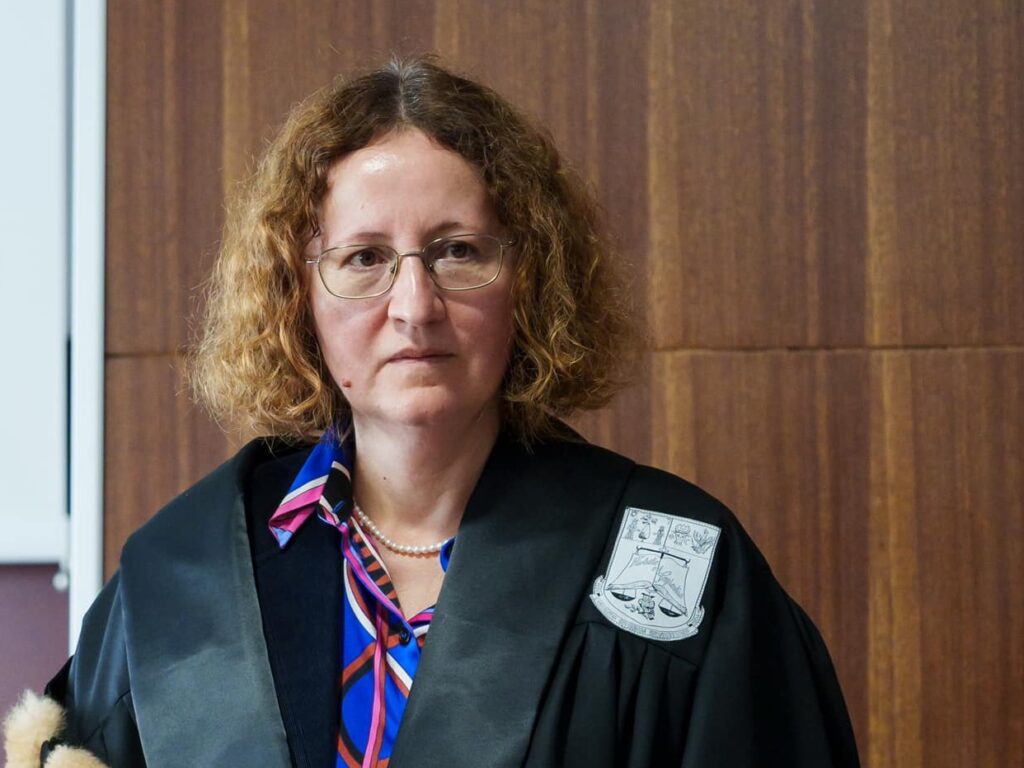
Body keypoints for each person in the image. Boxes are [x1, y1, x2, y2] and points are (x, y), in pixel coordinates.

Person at [4, 57, 860, 767]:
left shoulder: (673, 571)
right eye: (364, 258)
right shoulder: (177, 582)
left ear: (529, 280)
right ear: (299, 296)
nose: (414, 307)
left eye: (457, 251)